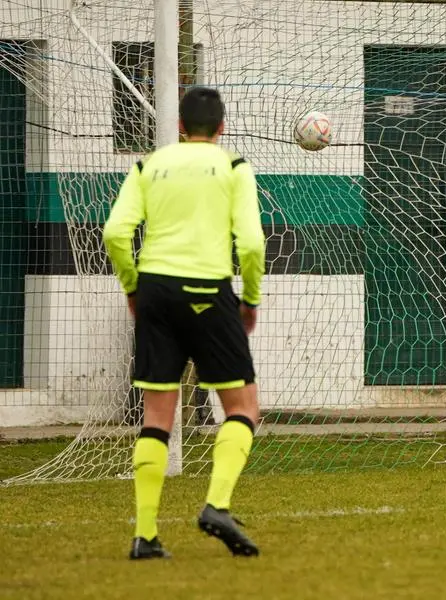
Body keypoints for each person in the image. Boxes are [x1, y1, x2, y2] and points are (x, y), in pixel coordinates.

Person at [102, 86, 266, 559]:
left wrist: (133, 288)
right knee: (243, 408)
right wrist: (250, 300)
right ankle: (217, 505)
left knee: (156, 416)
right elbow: (251, 244)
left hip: (155, 290)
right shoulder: (234, 167)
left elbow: (115, 233)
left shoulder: (148, 165)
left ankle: (145, 536)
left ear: (179, 126)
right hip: (207, 290)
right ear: (221, 127)